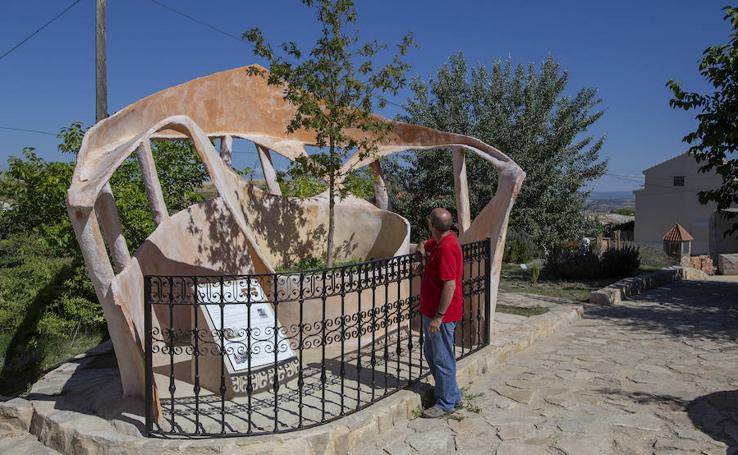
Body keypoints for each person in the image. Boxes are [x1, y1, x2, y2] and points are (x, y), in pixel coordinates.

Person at [416, 207, 463, 418]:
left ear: (431, 224)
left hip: (441, 315)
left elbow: (450, 285)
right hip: (433, 312)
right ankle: (451, 394)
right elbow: (423, 244)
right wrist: (419, 254)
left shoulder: (447, 248)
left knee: (442, 358)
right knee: (431, 353)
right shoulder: (440, 241)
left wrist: (439, 317)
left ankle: (445, 403)